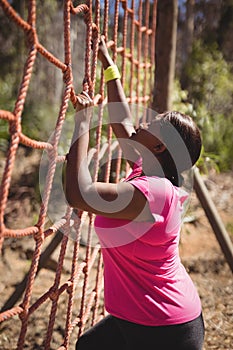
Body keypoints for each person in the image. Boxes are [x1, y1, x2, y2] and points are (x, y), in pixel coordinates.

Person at [65, 36, 205, 350]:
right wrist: (107, 63)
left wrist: (83, 123)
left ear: (158, 146)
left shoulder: (154, 192)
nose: (144, 121)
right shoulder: (146, 166)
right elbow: (124, 121)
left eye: (152, 123)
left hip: (167, 330)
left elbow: (80, 194)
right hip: (142, 314)